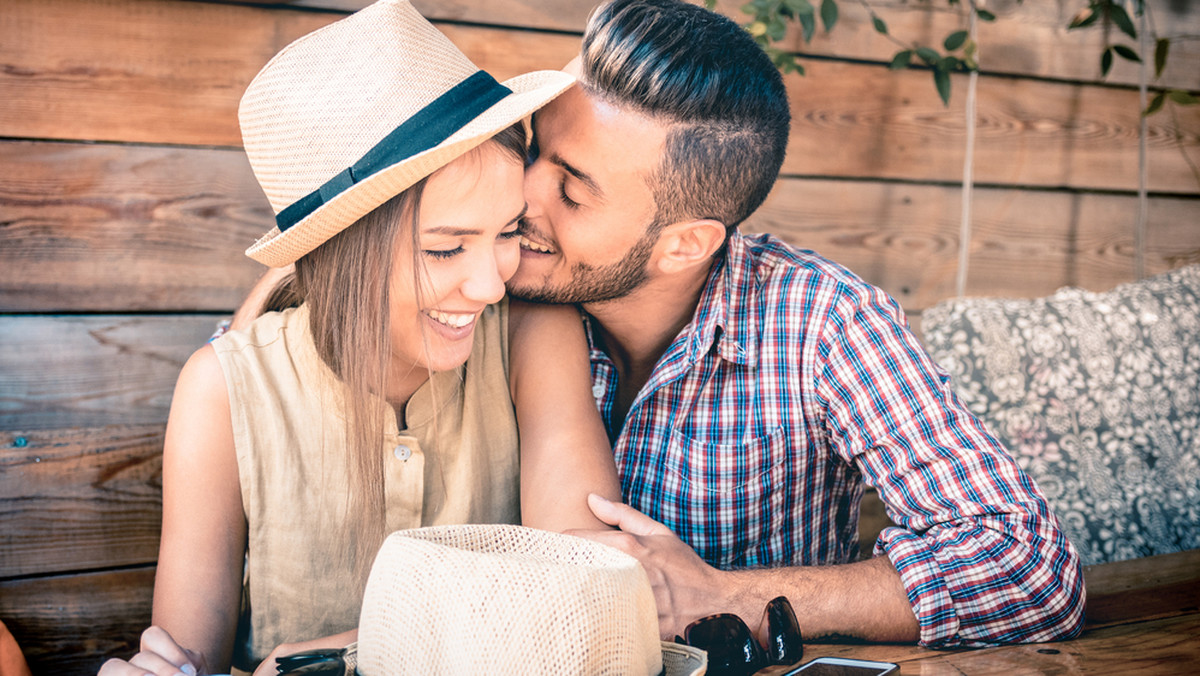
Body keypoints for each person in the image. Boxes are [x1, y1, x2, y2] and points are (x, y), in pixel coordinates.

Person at [505, 0, 1086, 649]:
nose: (522, 193)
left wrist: (729, 597)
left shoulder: (825, 323)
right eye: (533, 148)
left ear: (685, 245)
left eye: (574, 192)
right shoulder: (482, 280)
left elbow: (1029, 570)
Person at [98, 2, 620, 675]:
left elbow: (588, 590)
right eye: (444, 249)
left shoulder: (534, 339)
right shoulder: (223, 389)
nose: (492, 286)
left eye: (507, 232)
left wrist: (336, 655)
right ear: (346, 257)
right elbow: (187, 654)